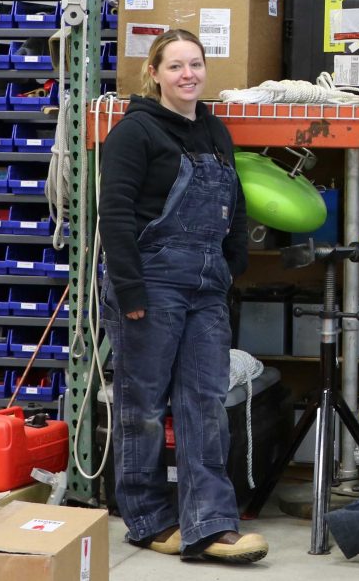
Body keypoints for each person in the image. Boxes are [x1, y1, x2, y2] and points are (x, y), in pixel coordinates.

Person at [98, 28, 268, 563]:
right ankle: (149, 520)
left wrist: (232, 261)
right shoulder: (136, 132)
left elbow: (235, 205)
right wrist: (129, 289)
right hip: (149, 283)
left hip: (206, 287)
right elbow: (116, 216)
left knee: (204, 404)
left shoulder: (215, 130)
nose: (187, 75)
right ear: (154, 73)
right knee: (143, 407)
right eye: (175, 66)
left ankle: (212, 523)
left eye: (195, 64)